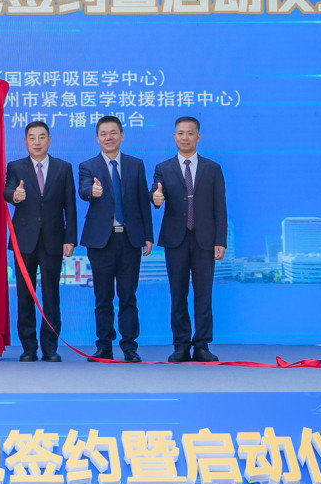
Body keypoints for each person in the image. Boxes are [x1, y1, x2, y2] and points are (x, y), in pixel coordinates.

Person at [151, 116, 227, 363]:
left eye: (190, 133)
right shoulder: (163, 168)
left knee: (204, 294)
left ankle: (202, 345)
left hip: (205, 240)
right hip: (176, 240)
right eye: (181, 133)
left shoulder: (212, 168)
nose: (185, 137)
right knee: (178, 294)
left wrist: (221, 240)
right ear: (175, 137)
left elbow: (220, 207)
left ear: (198, 137)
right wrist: (155, 198)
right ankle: (181, 345)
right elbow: (155, 193)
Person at [78, 116, 153, 362]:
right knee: (103, 297)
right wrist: (92, 191)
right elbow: (84, 190)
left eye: (113, 133)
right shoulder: (88, 166)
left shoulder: (135, 164)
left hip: (130, 240)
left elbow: (143, 202)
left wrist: (148, 236)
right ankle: (104, 347)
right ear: (97, 138)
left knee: (128, 296)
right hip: (101, 242)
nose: (108, 137)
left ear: (122, 135)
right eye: (103, 133)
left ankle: (130, 347)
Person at [4, 121, 77, 362]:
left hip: (53, 239)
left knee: (51, 294)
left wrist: (70, 239)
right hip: (24, 240)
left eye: (42, 137)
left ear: (50, 140)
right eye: (32, 137)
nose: (37, 142)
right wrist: (14, 195)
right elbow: (6, 190)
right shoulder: (16, 167)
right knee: (25, 294)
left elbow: (70, 206)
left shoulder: (63, 168)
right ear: (25, 141)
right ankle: (29, 347)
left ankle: (50, 347)